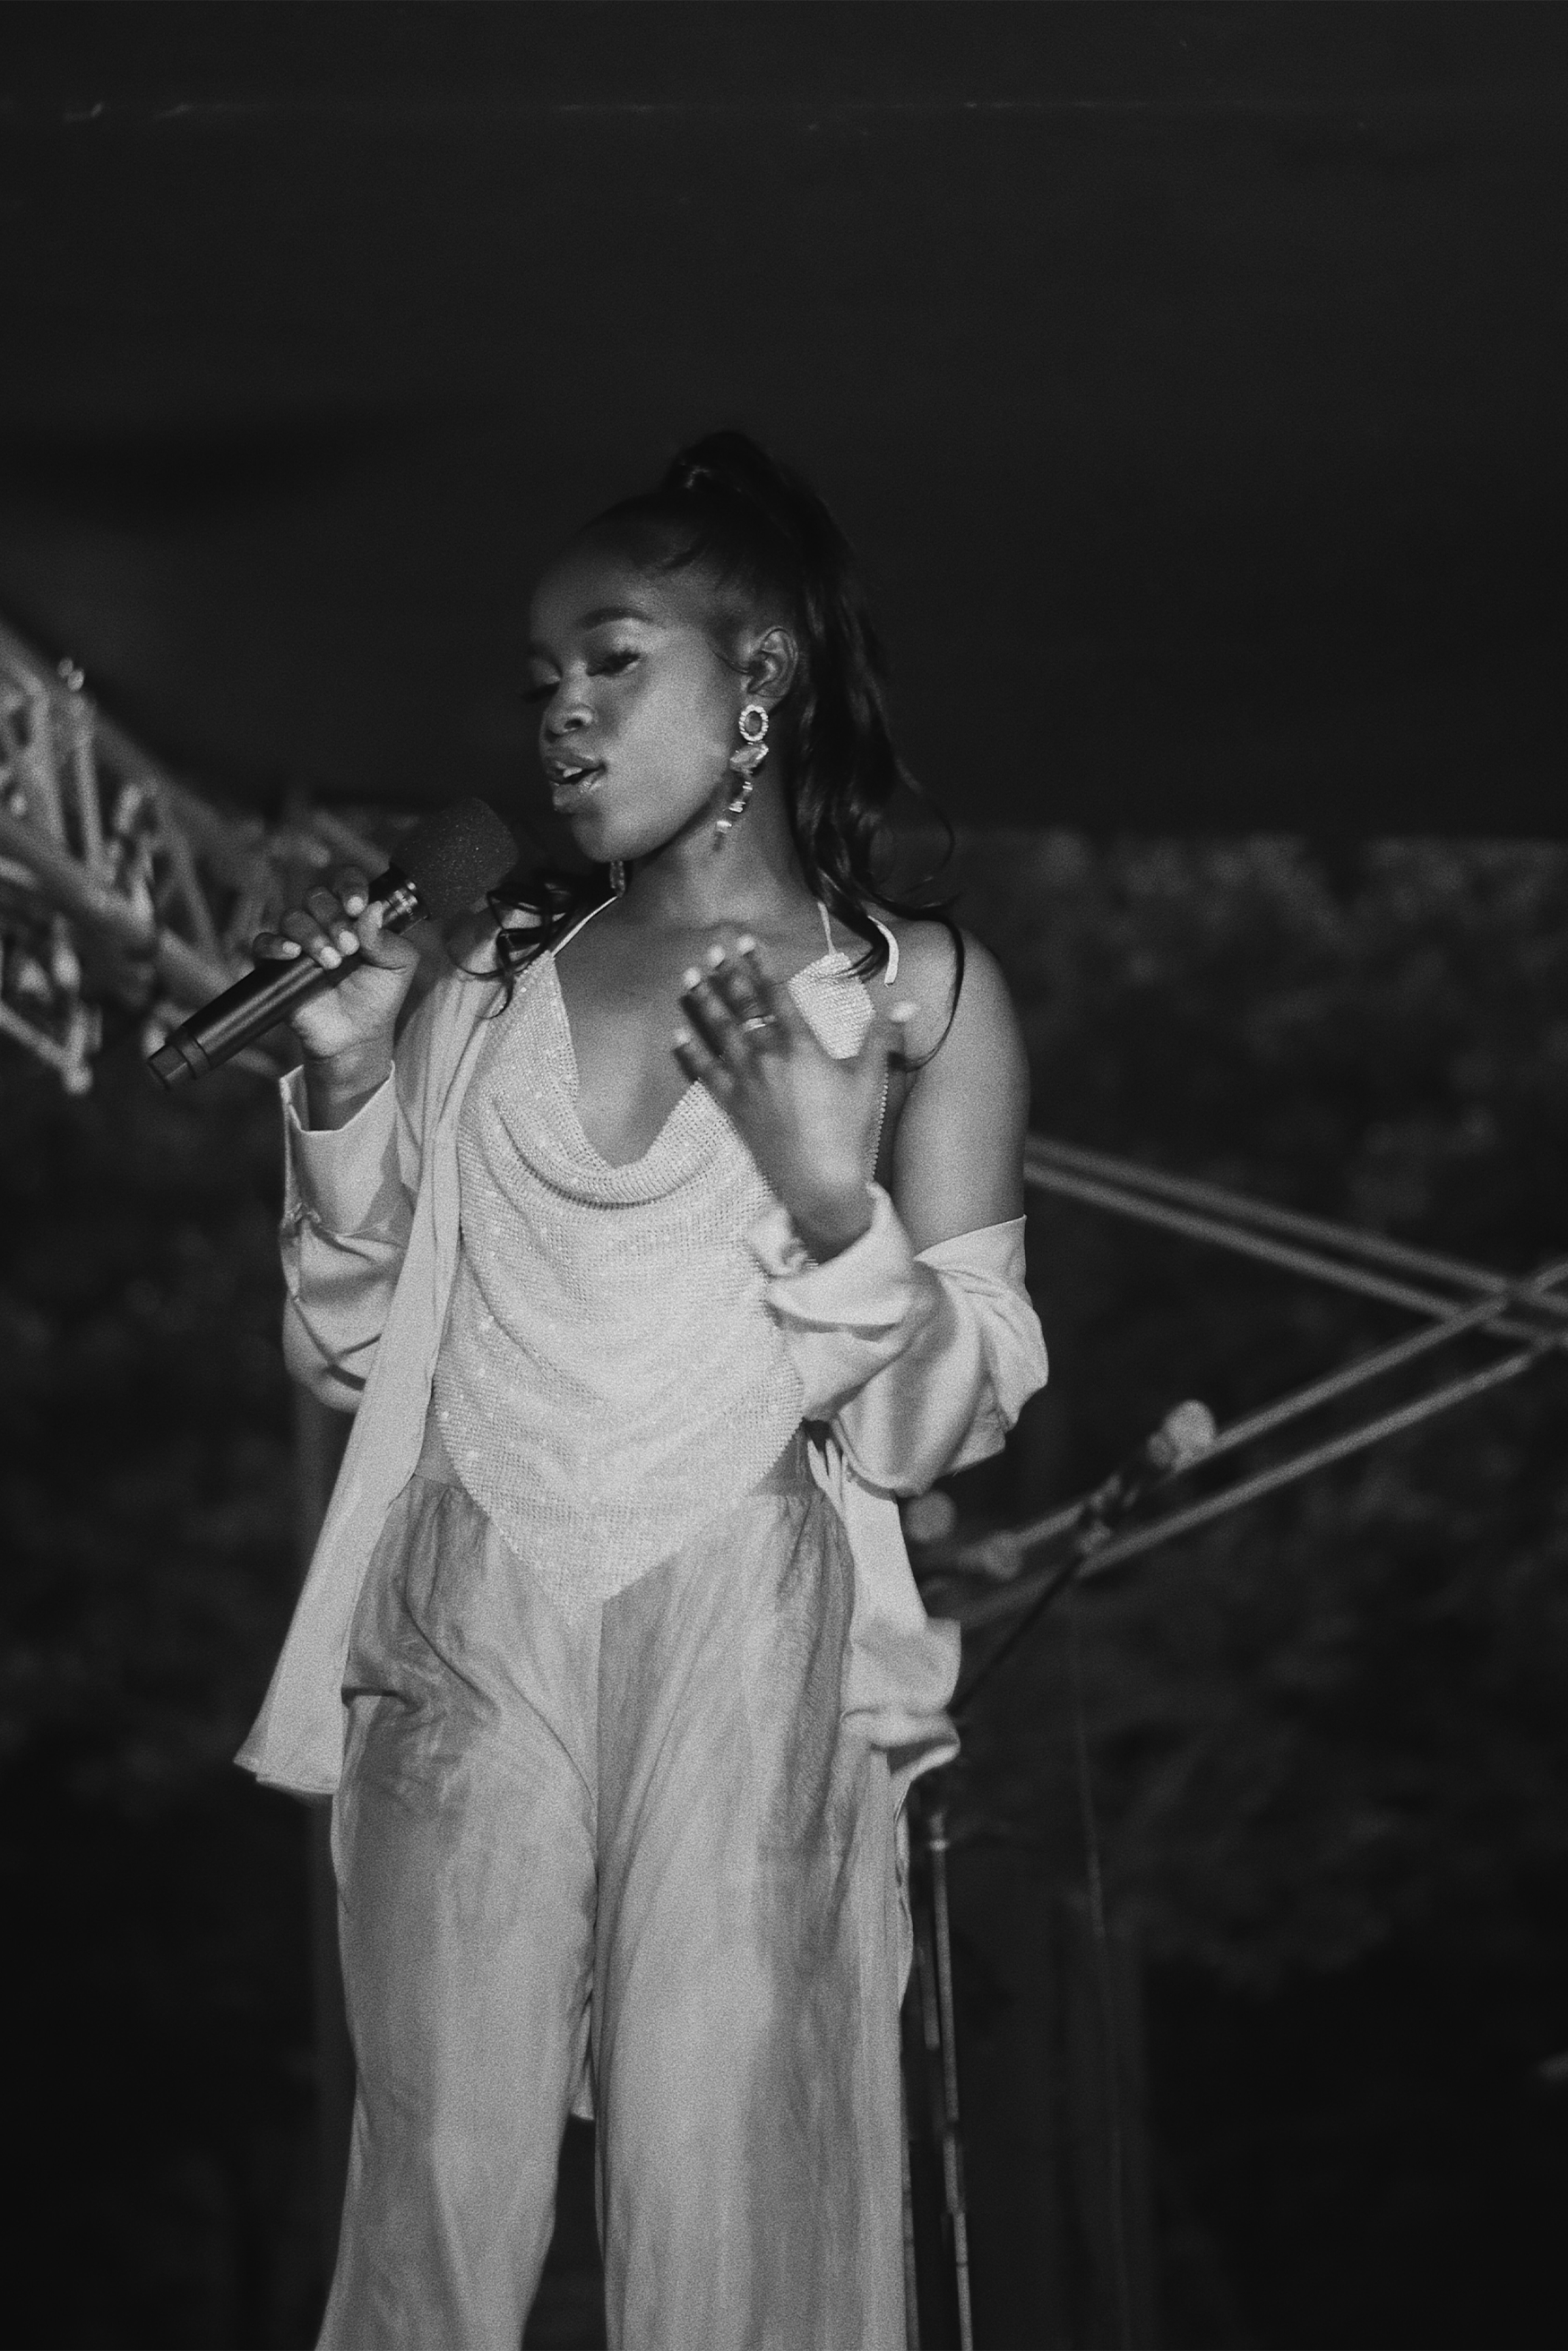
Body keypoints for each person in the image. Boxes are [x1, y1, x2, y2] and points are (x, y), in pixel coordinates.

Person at [238, 431, 1047, 2350]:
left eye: (612, 660)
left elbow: (938, 1420)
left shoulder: (912, 996)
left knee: (743, 2202)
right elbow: (353, 1348)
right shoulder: (487, 978)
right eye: (542, 680)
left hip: (746, 1628)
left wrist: (832, 1200)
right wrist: (343, 1087)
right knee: (429, 2210)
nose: (562, 715)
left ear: (760, 672)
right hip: (466, 1604)